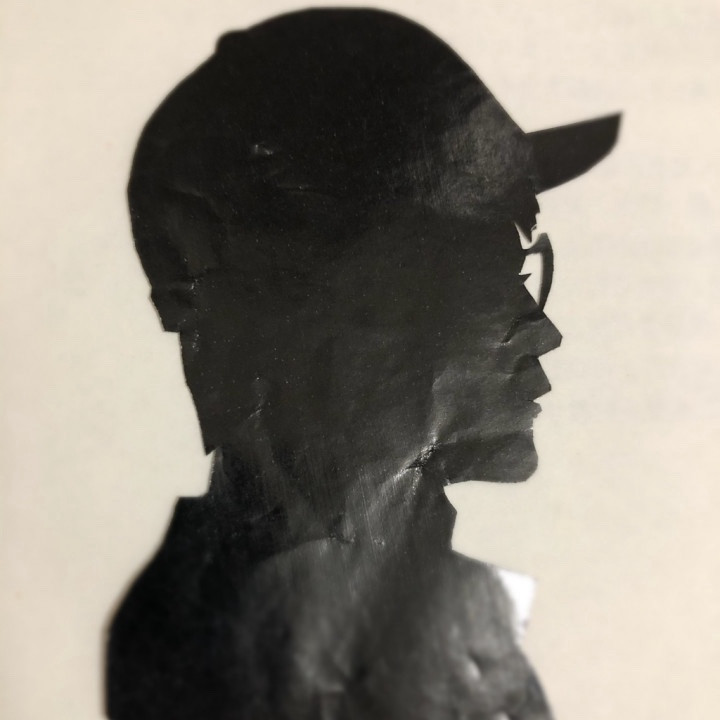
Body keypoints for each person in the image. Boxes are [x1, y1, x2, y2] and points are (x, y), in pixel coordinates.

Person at [107, 9, 620, 719]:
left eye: (524, 267)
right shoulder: (280, 649)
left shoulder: (395, 609)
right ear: (336, 298)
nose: (543, 331)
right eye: (496, 266)